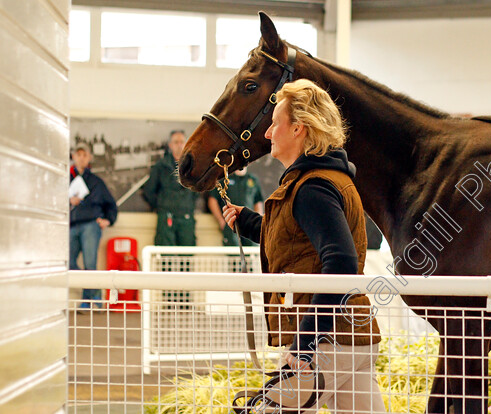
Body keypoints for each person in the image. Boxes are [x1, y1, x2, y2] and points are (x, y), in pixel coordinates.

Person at [223, 79, 385, 413]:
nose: (267, 133)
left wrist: (307, 343)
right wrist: (248, 221)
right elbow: (299, 238)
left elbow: (339, 262)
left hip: (328, 341)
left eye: (274, 123)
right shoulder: (324, 181)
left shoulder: (313, 188)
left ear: (298, 129)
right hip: (352, 335)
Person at [69, 142, 117, 309]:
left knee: (91, 264)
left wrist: (107, 220)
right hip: (71, 225)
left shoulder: (97, 182)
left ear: (89, 158)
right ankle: (93, 290)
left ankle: (88, 301)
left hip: (91, 225)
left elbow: (111, 205)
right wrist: (68, 201)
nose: (81, 158)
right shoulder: (64, 179)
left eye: (84, 155)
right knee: (67, 263)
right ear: (73, 156)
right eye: (78, 154)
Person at [142, 130, 199, 247]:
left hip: (187, 216)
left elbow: (197, 190)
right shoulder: (161, 166)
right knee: (165, 256)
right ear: (170, 145)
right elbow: (149, 190)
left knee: (187, 256)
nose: (179, 145)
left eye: (182, 142)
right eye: (176, 142)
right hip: (166, 216)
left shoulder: (194, 166)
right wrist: (161, 205)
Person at [208, 167, 264, 246]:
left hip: (250, 224)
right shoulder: (224, 179)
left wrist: (257, 222)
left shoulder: (253, 180)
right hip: (231, 224)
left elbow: (258, 202)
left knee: (252, 252)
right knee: (234, 254)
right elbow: (212, 200)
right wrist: (221, 221)